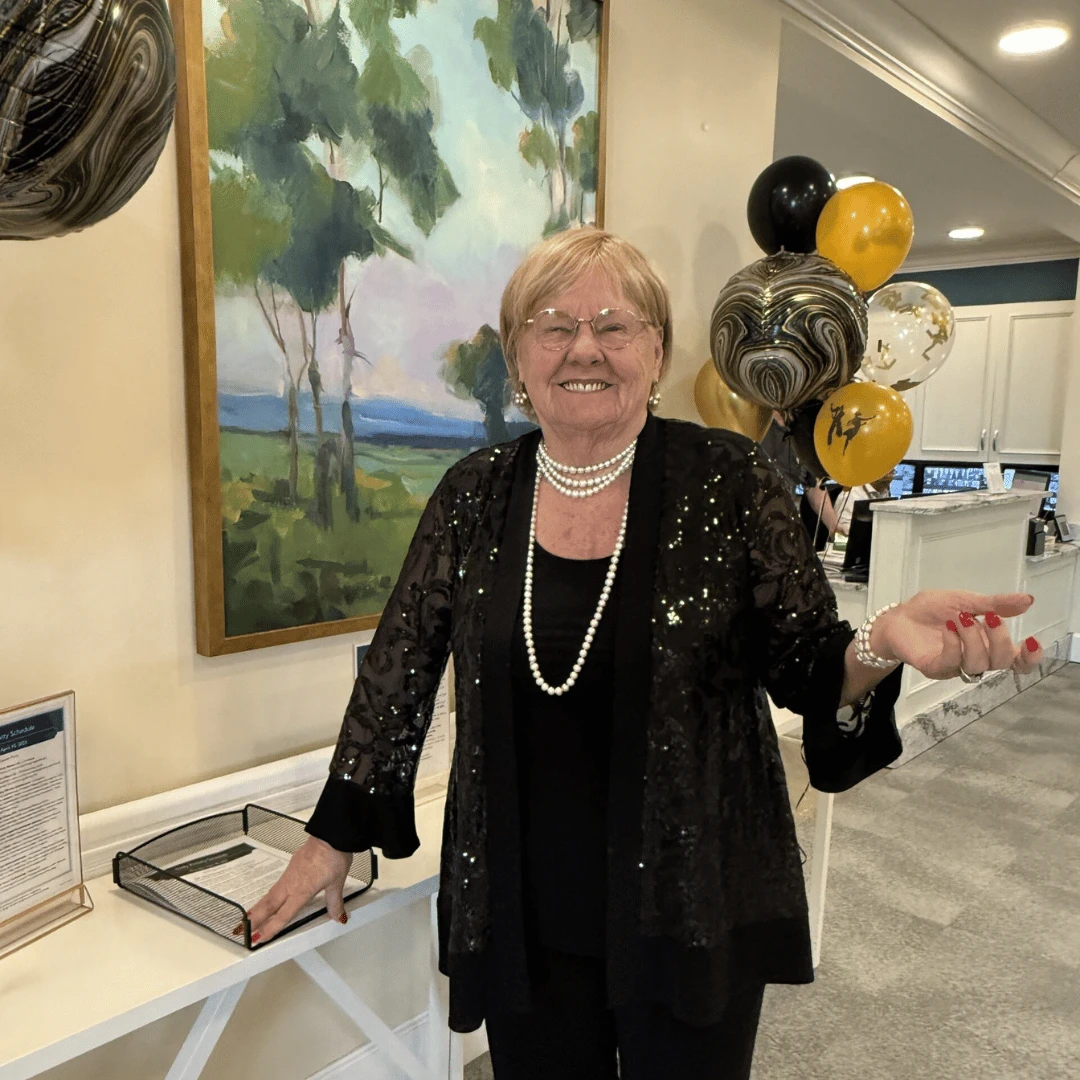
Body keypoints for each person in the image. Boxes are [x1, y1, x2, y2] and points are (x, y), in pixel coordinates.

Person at [248, 229, 1042, 1079]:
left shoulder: (730, 480)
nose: (583, 346)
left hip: (692, 896)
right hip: (526, 911)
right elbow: (399, 670)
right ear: (519, 354)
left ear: (655, 350)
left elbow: (809, 662)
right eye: (553, 325)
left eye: (613, 325)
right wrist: (332, 836)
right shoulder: (472, 495)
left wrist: (880, 643)